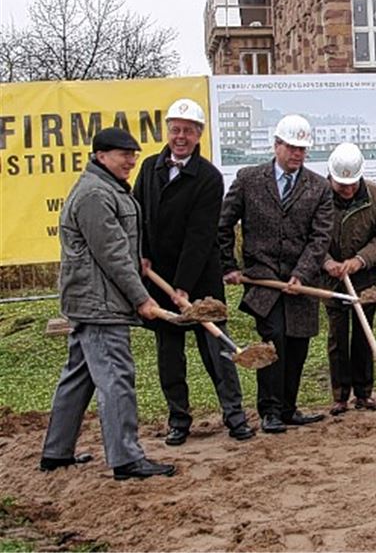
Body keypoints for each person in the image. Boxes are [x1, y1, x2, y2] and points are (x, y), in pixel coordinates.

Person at [40, 127, 176, 481]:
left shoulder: (107, 188)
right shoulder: (95, 195)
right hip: (100, 304)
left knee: (79, 376)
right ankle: (127, 459)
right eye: (124, 155)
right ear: (101, 156)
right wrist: (141, 299)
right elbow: (112, 254)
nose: (131, 161)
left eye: (133, 154)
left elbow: (119, 248)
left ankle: (56, 451)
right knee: (116, 377)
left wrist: (138, 262)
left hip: (93, 301)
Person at [134, 98, 255, 445]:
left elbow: (200, 236)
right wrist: (141, 255)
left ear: (199, 134)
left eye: (188, 131)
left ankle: (234, 416)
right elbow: (137, 216)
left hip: (199, 279)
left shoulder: (209, 178)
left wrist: (184, 286)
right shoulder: (149, 168)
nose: (180, 137)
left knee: (217, 350)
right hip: (159, 279)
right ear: (168, 132)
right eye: (175, 130)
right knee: (169, 355)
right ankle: (178, 419)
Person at [219, 114, 334, 434]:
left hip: (302, 281)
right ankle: (269, 410)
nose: (297, 154)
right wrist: (229, 265)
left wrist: (302, 273)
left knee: (297, 344)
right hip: (263, 279)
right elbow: (224, 224)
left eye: (302, 149)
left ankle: (288, 408)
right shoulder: (249, 179)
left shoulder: (319, 187)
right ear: (277, 145)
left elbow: (320, 237)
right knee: (273, 341)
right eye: (292, 147)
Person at [321, 142, 376, 415]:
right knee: (338, 337)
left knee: (364, 335)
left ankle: (364, 393)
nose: (348, 189)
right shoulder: (318, 197)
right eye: (342, 185)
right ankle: (340, 395)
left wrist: (359, 260)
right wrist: (326, 261)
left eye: (352, 184)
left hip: (366, 279)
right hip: (332, 280)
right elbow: (309, 235)